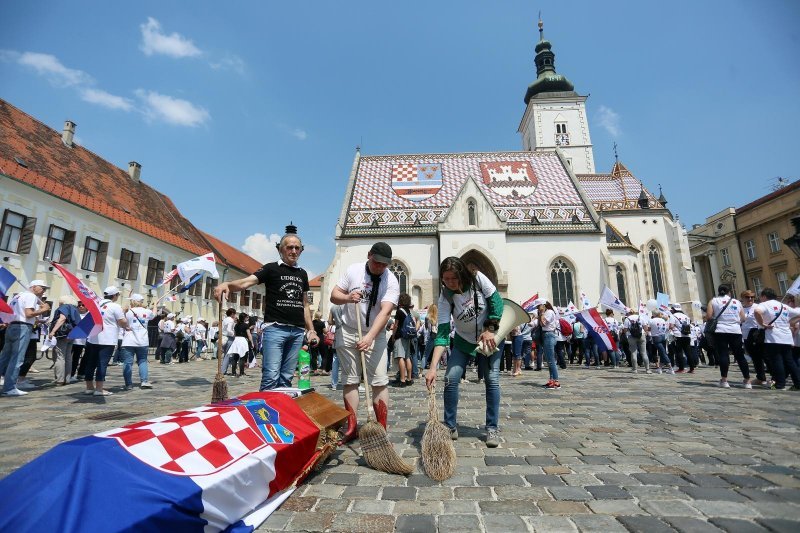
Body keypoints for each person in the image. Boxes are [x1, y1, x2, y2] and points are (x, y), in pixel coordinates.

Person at [215, 226, 317, 390]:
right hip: (276, 329)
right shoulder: (271, 268)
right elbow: (247, 282)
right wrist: (227, 284)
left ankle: (281, 412)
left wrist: (311, 330)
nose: (293, 250)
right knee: (271, 376)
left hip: (297, 332)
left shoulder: (302, 274)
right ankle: (266, 414)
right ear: (280, 250)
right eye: (289, 247)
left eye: (297, 248)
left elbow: (305, 304)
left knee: (286, 378)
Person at [425, 256, 504, 448]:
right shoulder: (445, 297)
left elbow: (497, 303)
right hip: (463, 341)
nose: (450, 283)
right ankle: (450, 426)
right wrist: (433, 367)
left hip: (489, 338)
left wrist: (490, 329)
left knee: (492, 381)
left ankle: (492, 428)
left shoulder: (478, 279)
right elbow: (443, 334)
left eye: (454, 278)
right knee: (451, 378)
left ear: (462, 274)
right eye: (446, 279)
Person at [329, 242, 399, 444]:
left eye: (384, 265)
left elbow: (385, 312)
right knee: (350, 380)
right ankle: (351, 426)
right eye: (377, 262)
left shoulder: (391, 280)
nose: (380, 267)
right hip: (350, 330)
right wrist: (348, 298)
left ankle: (381, 426)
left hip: (375, 335)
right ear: (369, 256)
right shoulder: (353, 271)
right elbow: (334, 296)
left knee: (378, 380)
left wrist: (369, 338)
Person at [0, 280, 50, 396]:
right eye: (42, 288)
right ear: (33, 287)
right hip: (22, 327)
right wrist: (43, 309)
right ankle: (9, 387)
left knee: (5, 356)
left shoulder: (18, 296)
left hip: (12, 325)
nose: (44, 291)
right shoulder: (31, 296)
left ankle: (8, 384)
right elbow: (28, 314)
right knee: (17, 358)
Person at [84, 286, 128, 396]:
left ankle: (89, 387)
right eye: (118, 295)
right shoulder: (115, 306)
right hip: (107, 339)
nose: (118, 297)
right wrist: (126, 325)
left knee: (90, 363)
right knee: (102, 364)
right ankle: (99, 389)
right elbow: (122, 321)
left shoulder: (96, 304)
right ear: (114, 296)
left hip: (93, 337)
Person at [755, 288, 800, 391]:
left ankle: (780, 384)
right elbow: (798, 314)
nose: (760, 299)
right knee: (789, 361)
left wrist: (762, 324)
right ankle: (798, 383)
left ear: (764, 296)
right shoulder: (784, 306)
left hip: (773, 336)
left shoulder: (764, 304)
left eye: (761, 297)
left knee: (776, 360)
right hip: (786, 336)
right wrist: (789, 323)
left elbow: (757, 311)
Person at [706, 284, 749, 388]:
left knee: (723, 355)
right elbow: (743, 318)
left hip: (720, 330)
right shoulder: (737, 302)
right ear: (729, 292)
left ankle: (724, 380)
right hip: (735, 330)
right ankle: (747, 381)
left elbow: (709, 316)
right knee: (740, 355)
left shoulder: (713, 301)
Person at [119, 294, 154, 389]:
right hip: (142, 341)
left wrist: (124, 310)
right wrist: (155, 305)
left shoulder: (128, 311)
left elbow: (120, 319)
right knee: (142, 361)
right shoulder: (147, 311)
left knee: (127, 363)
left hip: (128, 341)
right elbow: (153, 316)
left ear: (133, 301)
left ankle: (128, 384)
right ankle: (144, 381)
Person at [48, 295, 80, 386]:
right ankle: (67, 378)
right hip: (72, 334)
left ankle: (60, 379)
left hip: (62, 334)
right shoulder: (75, 309)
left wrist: (53, 331)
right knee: (68, 357)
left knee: (60, 356)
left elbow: (62, 318)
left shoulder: (64, 307)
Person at [391, 293, 415, 386]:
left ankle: (402, 380)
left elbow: (396, 325)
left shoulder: (399, 311)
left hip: (400, 336)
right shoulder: (408, 311)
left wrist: (393, 336)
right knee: (407, 357)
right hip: (408, 336)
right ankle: (409, 378)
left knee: (400, 357)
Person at [669, 303, 695, 373]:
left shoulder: (673, 316)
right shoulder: (686, 316)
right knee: (688, 352)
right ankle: (692, 368)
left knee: (679, 352)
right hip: (687, 336)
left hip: (678, 336)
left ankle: (681, 368)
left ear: (674, 309)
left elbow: (671, 326)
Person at [623, 309, 649, 374]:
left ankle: (635, 369)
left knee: (633, 353)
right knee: (644, 353)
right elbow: (646, 328)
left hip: (631, 336)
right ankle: (647, 369)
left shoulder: (627, 319)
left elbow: (625, 330)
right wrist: (645, 332)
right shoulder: (640, 317)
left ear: (628, 313)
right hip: (641, 335)